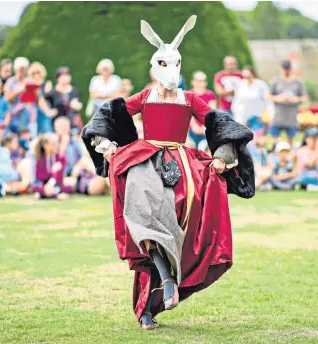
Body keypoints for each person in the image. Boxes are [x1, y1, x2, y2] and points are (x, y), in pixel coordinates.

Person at [82, 15, 254, 330]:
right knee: (142, 216)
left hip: (183, 164)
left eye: (172, 63)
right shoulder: (144, 97)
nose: (168, 70)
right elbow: (107, 113)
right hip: (145, 159)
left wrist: (223, 154)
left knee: (182, 220)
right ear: (154, 66)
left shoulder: (191, 99)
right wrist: (103, 142)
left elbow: (221, 122)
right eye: (162, 64)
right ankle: (161, 284)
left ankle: (166, 287)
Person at [268, 60, 308, 145]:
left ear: (291, 69)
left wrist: (296, 99)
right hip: (278, 116)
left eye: (288, 68)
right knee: (274, 142)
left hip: (291, 117)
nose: (286, 70)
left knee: (291, 142)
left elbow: (305, 97)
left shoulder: (298, 82)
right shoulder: (276, 81)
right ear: (281, 69)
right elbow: (268, 96)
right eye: (284, 68)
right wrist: (278, 98)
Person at [31, 133, 73, 199]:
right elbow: (39, 177)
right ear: (45, 146)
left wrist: (50, 183)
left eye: (57, 143)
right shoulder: (40, 159)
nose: (56, 146)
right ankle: (55, 195)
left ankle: (43, 194)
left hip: (56, 185)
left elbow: (58, 177)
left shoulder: (61, 157)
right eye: (53, 144)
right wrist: (52, 172)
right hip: (44, 185)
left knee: (69, 187)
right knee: (34, 186)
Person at [231, 66, 270, 134]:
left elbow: (268, 100)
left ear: (252, 74)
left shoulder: (261, 84)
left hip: (257, 116)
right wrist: (235, 114)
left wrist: (265, 115)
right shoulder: (240, 84)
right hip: (242, 117)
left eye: (248, 76)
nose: (247, 78)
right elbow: (236, 100)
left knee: (257, 138)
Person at [187, 71, 216, 148]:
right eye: (200, 80)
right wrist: (195, 127)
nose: (202, 83)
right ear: (193, 82)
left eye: (204, 80)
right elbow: (187, 113)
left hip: (206, 129)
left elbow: (212, 113)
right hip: (190, 130)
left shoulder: (210, 95)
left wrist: (205, 127)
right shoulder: (188, 95)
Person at [27, 62, 57, 134]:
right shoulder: (30, 83)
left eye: (38, 72)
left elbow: (47, 97)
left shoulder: (47, 83)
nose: (36, 75)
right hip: (33, 108)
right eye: (34, 73)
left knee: (46, 124)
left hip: (45, 107)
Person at [4, 57, 30, 135]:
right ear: (16, 69)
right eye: (20, 69)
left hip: (25, 113)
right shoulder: (11, 81)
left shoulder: (28, 81)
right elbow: (7, 98)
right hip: (13, 113)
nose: (22, 71)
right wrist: (18, 91)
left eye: (24, 69)